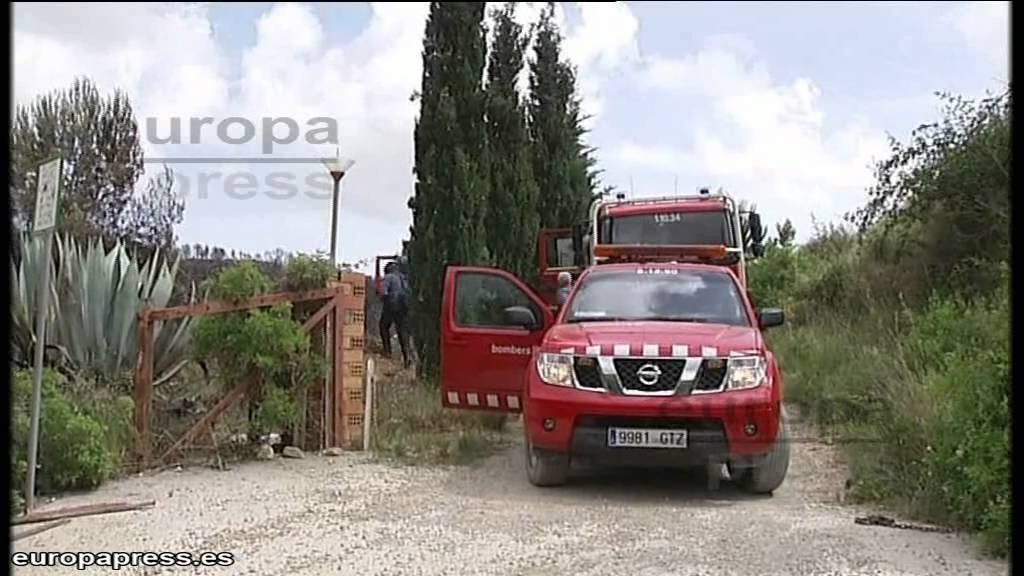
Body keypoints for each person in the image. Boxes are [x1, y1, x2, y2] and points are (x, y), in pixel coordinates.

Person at [379, 261, 411, 367]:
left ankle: (387, 351)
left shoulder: (388, 277)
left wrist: (383, 299)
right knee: (402, 332)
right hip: (404, 307)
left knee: (383, 326)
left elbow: (383, 292)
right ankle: (407, 358)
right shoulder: (403, 278)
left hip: (392, 305)